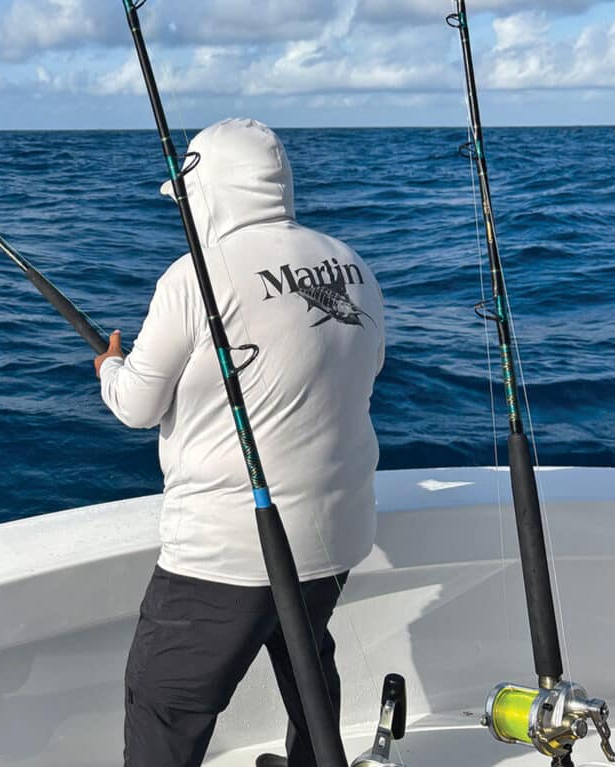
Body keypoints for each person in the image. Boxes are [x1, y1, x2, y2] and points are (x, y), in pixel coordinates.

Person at [94, 118, 385, 767]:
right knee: (307, 661)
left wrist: (110, 368)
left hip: (223, 554)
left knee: (164, 701)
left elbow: (137, 406)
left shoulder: (192, 277)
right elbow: (366, 370)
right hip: (335, 536)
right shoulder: (352, 264)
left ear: (209, 192)